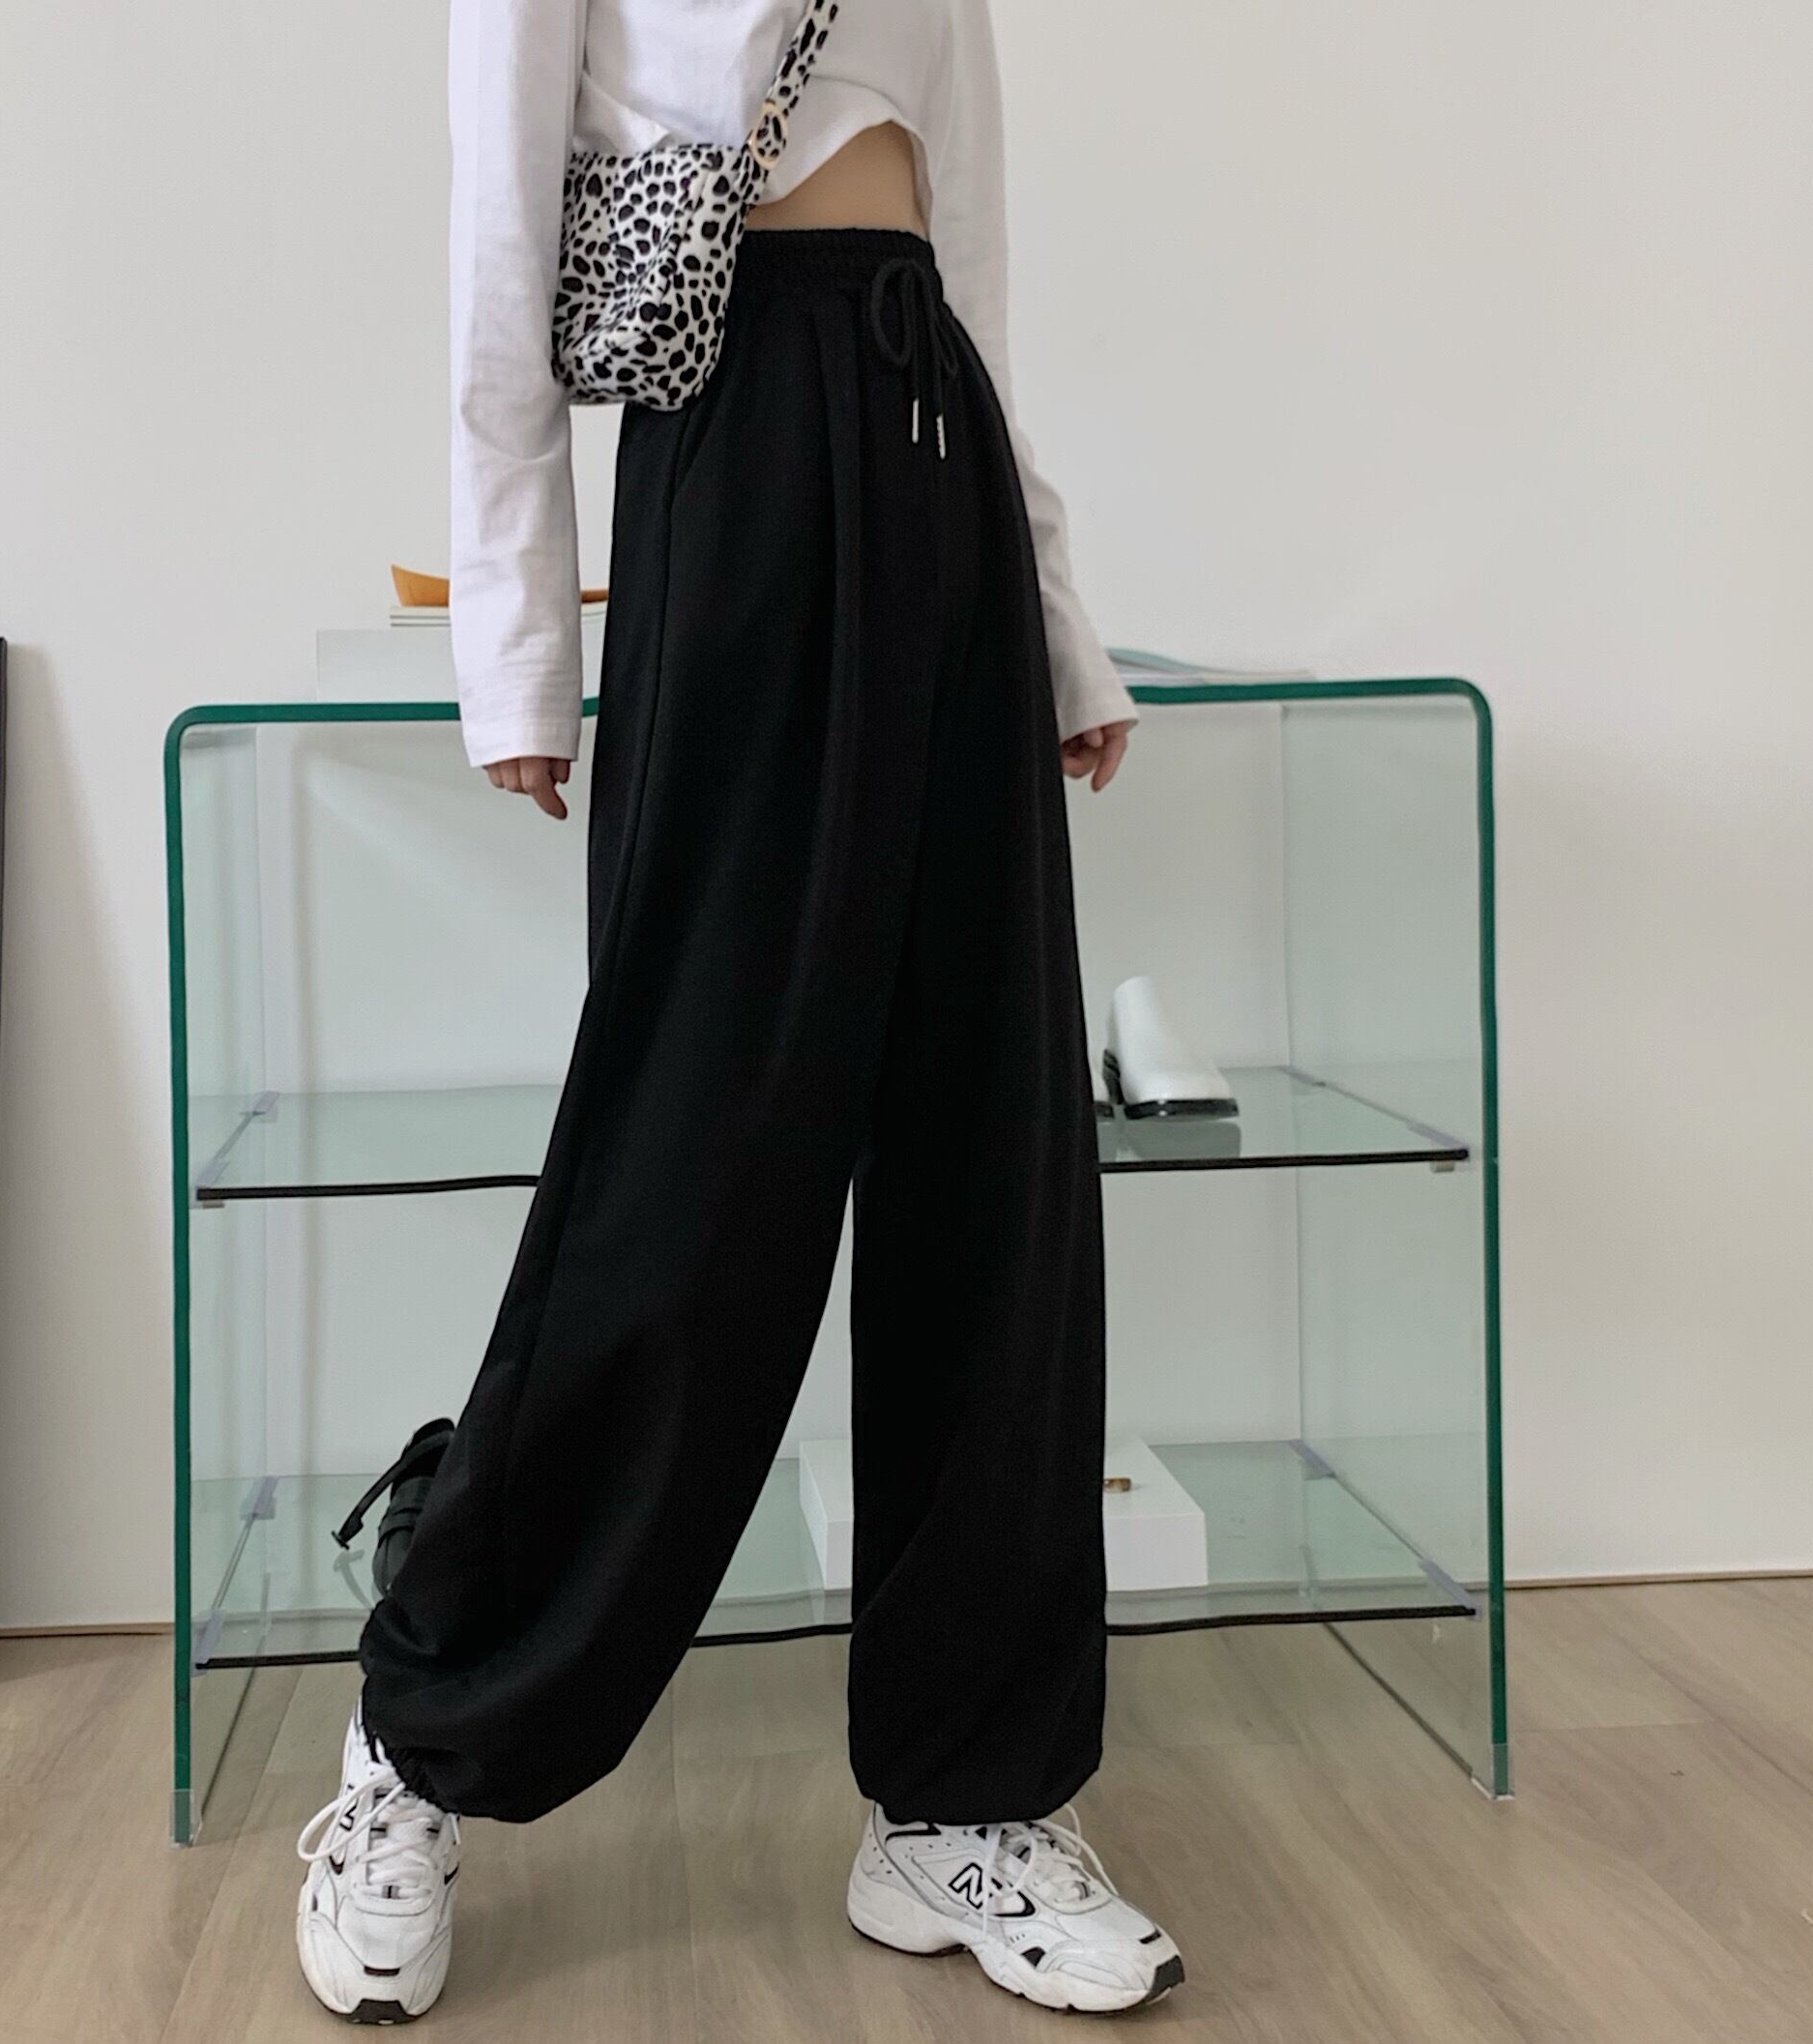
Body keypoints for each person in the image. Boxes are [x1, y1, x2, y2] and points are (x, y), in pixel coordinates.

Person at [295, 0, 1184, 2022]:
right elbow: (501, 239)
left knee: (993, 1160)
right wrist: (519, 645)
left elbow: (971, 259)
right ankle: (423, 1725)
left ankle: (965, 1795)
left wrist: (1054, 621)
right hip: (735, 440)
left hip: (935, 439)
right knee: (688, 1166)